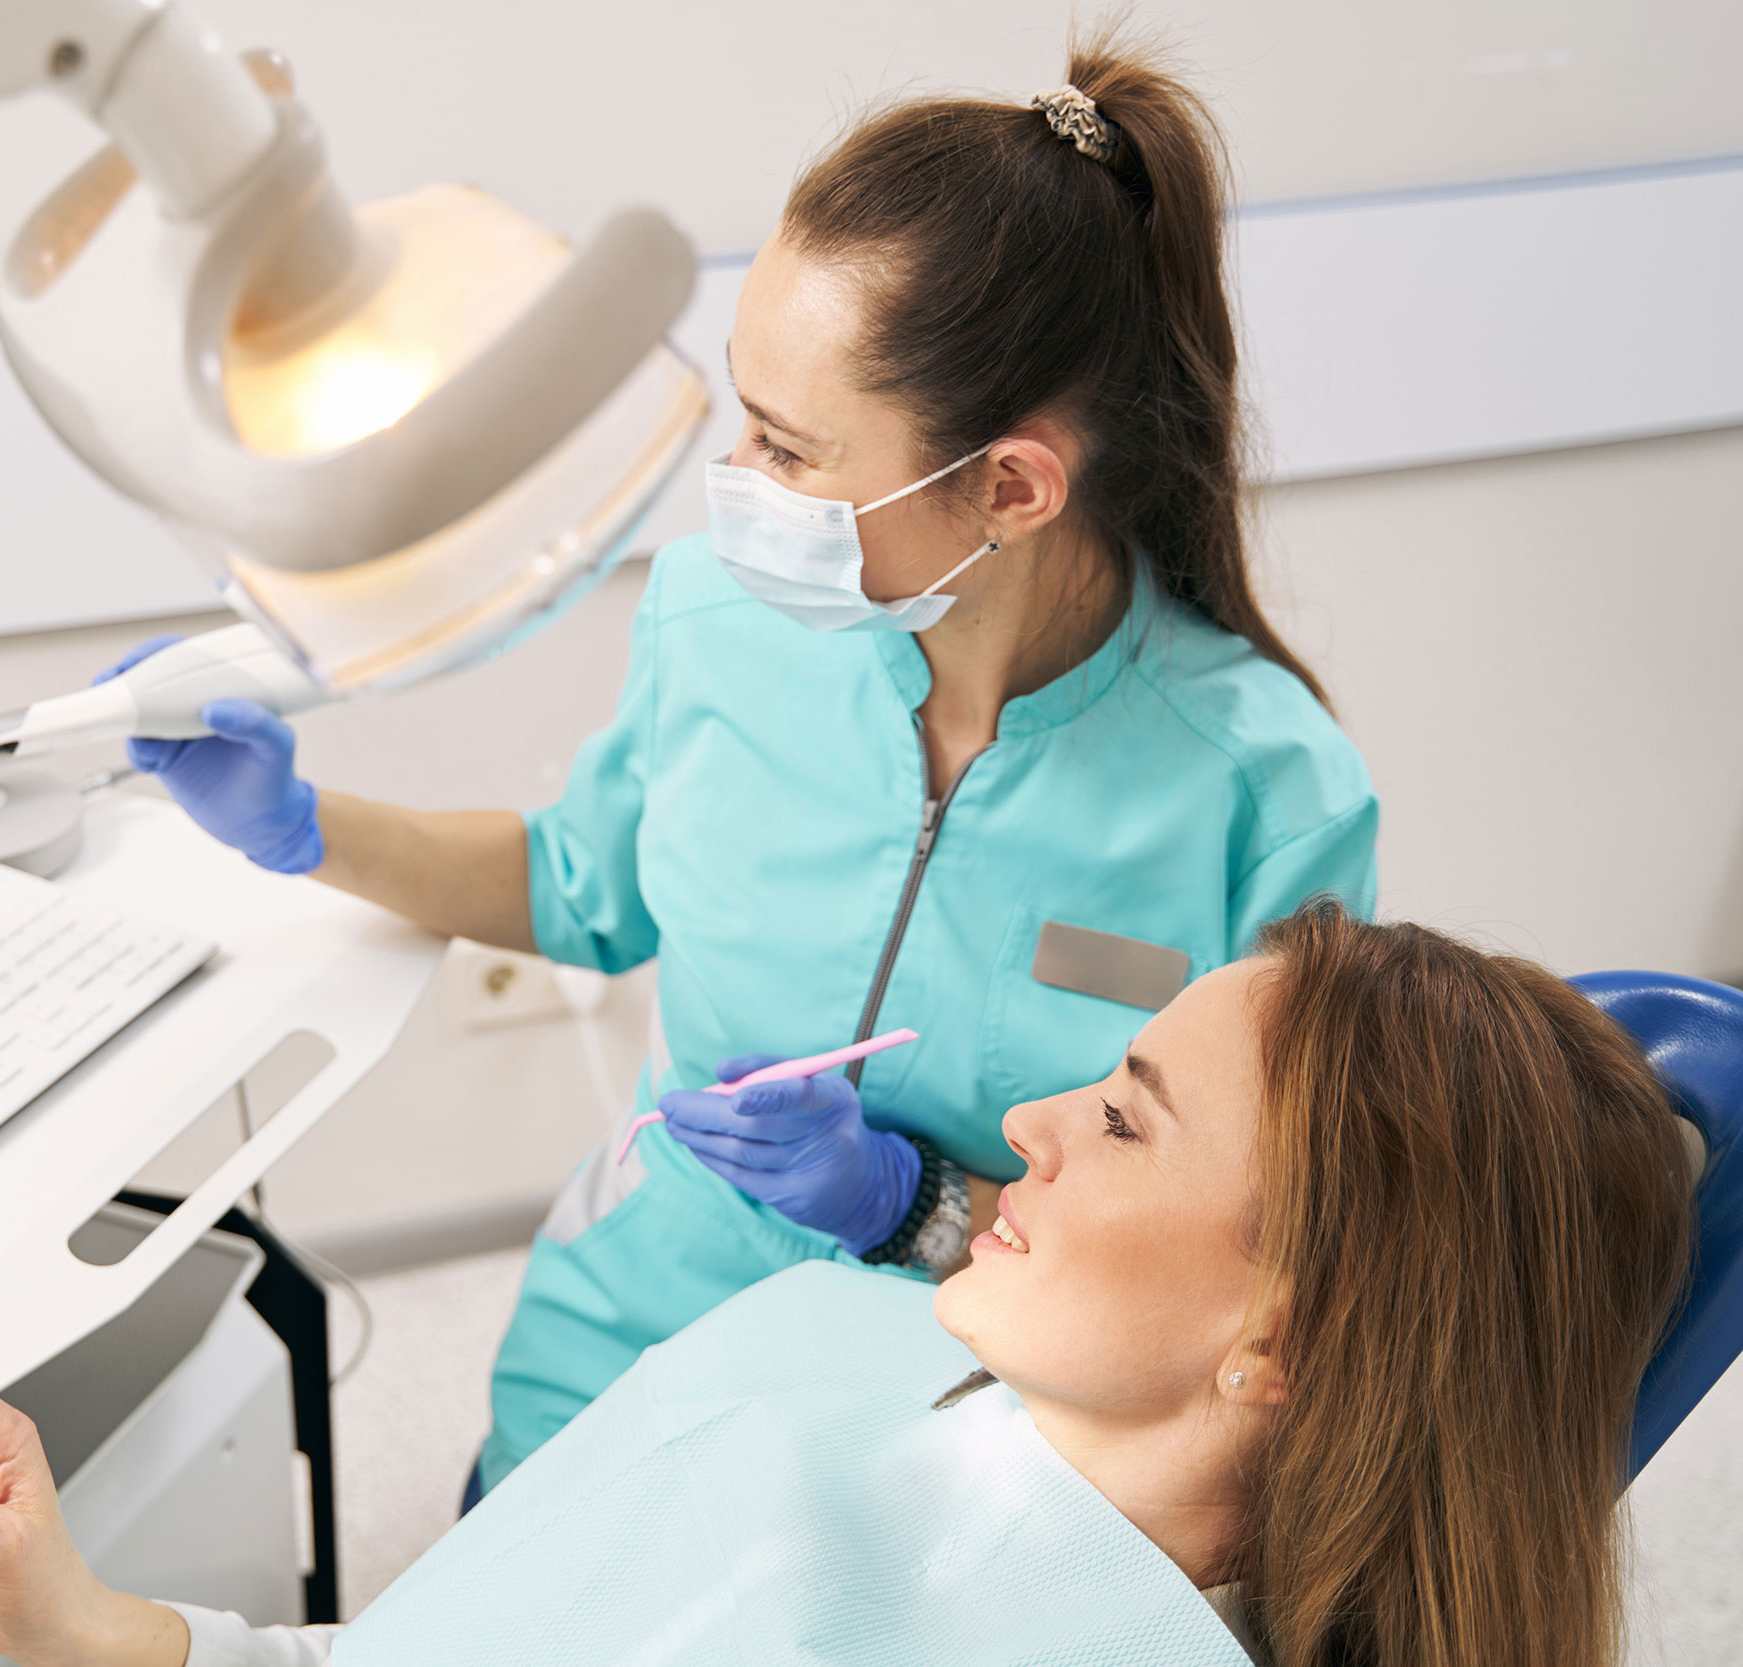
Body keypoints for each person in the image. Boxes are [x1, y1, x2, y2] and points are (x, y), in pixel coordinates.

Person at [100, 30, 1379, 1492]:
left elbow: (1255, 1263)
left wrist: (918, 1208)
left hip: (978, 1409)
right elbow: (580, 887)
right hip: (633, 1329)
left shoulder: (1264, 796)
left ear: (1009, 489)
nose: (740, 488)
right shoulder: (717, 621)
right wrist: (301, 824)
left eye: (788, 447)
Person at [0, 902, 1695, 1667]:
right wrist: (83, 1621)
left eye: (1123, 1121)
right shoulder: (838, 1332)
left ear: (1285, 1341)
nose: (1026, 1119)